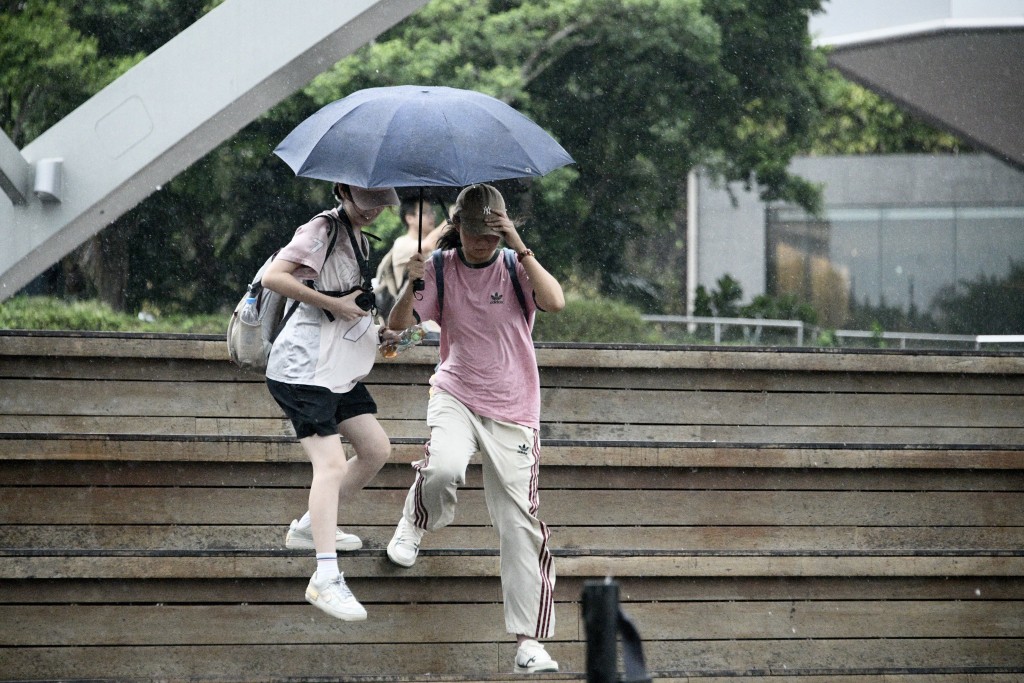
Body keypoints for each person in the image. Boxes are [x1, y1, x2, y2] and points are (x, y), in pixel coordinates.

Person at [384, 183, 566, 672]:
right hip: (456, 393)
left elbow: (555, 301)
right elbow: (399, 324)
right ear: (458, 228)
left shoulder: (515, 266)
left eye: (492, 231)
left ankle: (529, 641)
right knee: (442, 469)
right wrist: (411, 280)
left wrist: (519, 246)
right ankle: (414, 523)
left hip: (514, 406)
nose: (482, 240)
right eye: (473, 230)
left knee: (519, 524)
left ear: (503, 229)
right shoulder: (440, 268)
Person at [261, 182, 402, 621]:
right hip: (303, 370)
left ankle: (308, 526)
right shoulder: (322, 227)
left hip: (337, 368)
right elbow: (275, 278)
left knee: (376, 449)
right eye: (367, 203)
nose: (374, 212)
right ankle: (324, 578)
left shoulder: (359, 236)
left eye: (382, 205)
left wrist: (382, 327)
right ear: (343, 190)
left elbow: (353, 302)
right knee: (332, 464)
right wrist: (333, 304)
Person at [374, 196, 445, 322]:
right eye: (425, 212)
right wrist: (451, 219)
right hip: (408, 315)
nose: (431, 216)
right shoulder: (402, 243)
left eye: (432, 212)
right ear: (409, 218)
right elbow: (428, 244)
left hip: (428, 313)